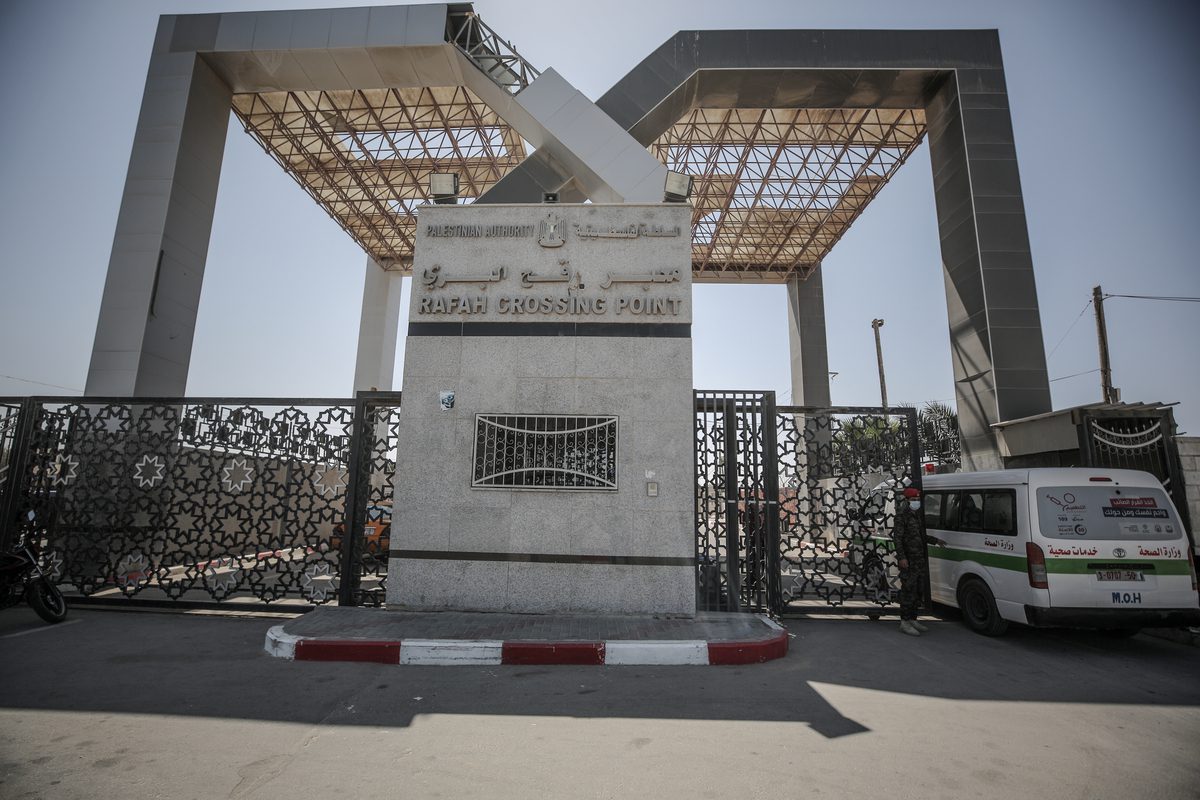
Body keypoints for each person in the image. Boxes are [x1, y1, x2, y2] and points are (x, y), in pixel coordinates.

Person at [892, 486, 929, 636]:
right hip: (909, 560)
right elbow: (898, 538)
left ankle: (913, 619)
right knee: (908, 590)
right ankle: (905, 622)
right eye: (914, 499)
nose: (916, 502)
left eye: (918, 499)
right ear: (907, 500)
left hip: (918, 559)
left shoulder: (915, 514)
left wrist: (934, 540)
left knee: (918, 590)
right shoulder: (902, 515)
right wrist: (901, 557)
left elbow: (919, 536)